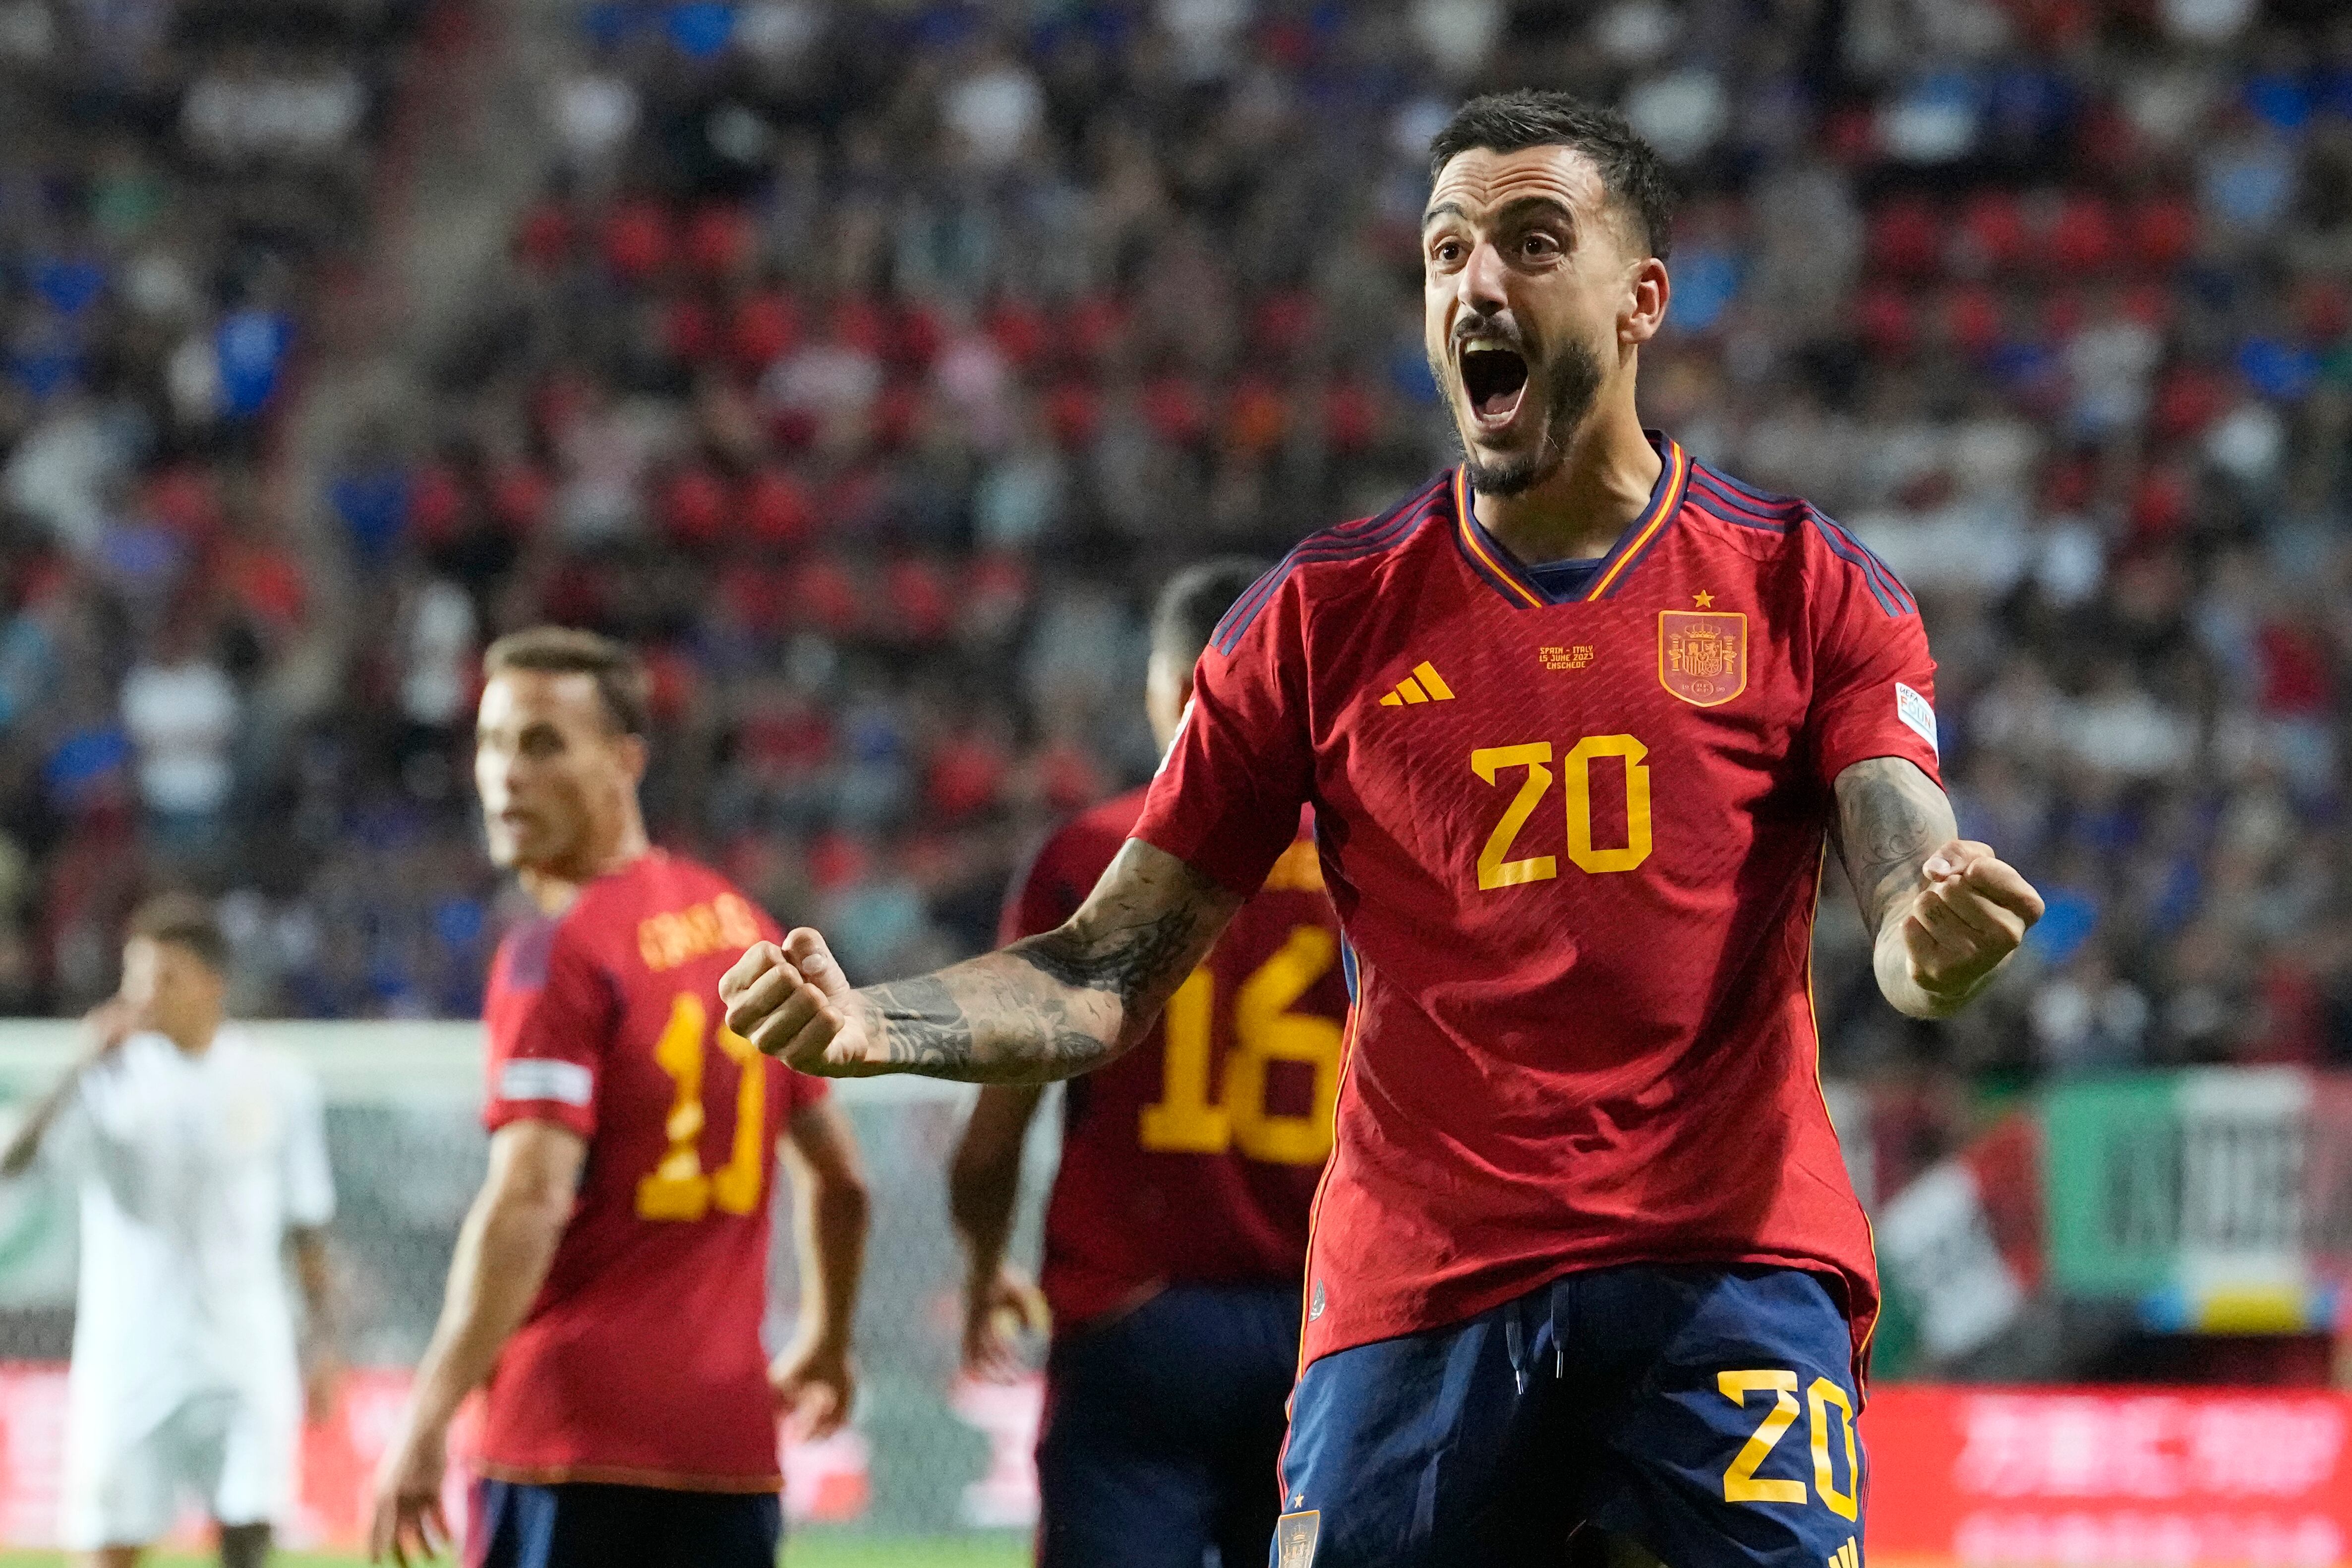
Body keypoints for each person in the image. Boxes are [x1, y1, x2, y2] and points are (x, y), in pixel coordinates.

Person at [724, 89, 2050, 1568]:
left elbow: (1906, 876)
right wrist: (877, 1022)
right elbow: (1104, 972)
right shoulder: (1317, 619)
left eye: (1535, 243)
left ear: (1642, 301)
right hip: (1422, 1299)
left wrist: (1935, 932)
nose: (1479, 281)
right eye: (1447, 251)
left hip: (1720, 1272)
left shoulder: (1803, 583)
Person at [367, 628, 870, 1568]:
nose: (505, 776)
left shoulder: (557, 952)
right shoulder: (743, 928)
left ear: (626, 762)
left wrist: (428, 1416)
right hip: (727, 1446)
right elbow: (843, 1182)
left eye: (543, 744)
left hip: (569, 1441)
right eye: (491, 744)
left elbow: (530, 1199)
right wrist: (830, 1341)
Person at [950, 560, 1347, 1568]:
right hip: (1327, 1322)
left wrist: (983, 1261)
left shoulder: (1087, 853)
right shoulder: (1374, 859)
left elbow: (995, 1133)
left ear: (1173, 691)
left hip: (1139, 1312)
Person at [2, 893, 340, 1568]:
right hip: (130, 1355)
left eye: (164, 980)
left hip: (244, 1352)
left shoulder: (278, 1081)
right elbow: (12, 1163)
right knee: (109, 1546)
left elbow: (307, 1226)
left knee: (247, 1533)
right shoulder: (106, 1081)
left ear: (212, 985)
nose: (143, 998)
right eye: (134, 981)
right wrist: (76, 1067)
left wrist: (326, 1340)